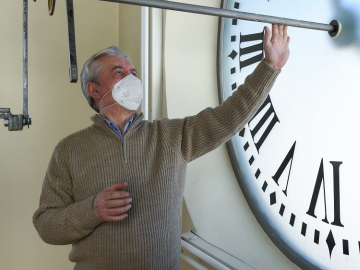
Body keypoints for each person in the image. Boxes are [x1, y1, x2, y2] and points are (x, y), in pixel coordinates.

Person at [33, 24, 290, 270]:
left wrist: (270, 67)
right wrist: (93, 210)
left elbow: (230, 116)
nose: (132, 78)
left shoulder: (170, 136)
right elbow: (46, 225)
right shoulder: (69, 150)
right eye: (118, 72)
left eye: (133, 72)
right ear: (94, 90)